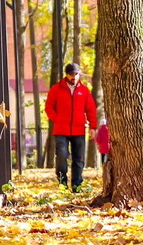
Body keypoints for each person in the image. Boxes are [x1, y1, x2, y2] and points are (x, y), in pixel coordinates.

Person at [45, 62, 97, 192]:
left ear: (79, 74)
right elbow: (49, 107)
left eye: (76, 74)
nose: (73, 77)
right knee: (62, 155)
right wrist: (57, 119)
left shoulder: (84, 91)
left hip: (79, 129)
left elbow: (90, 109)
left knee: (78, 159)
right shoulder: (56, 89)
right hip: (61, 130)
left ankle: (77, 185)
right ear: (66, 75)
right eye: (70, 74)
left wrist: (93, 126)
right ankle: (62, 182)